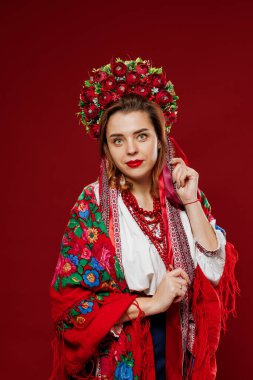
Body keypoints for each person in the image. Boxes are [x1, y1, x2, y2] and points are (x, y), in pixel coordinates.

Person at [49, 57, 239, 380]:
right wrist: (153, 303)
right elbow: (71, 306)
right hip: (123, 356)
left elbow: (215, 270)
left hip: (182, 355)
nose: (131, 151)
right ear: (107, 150)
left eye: (141, 136)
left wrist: (191, 200)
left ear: (160, 137)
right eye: (118, 140)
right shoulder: (92, 206)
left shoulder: (182, 195)